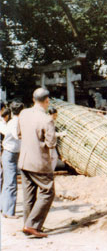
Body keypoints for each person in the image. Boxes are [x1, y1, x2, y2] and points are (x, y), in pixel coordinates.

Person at [18, 88, 56, 238]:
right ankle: (31, 225)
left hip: (24, 160)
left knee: (28, 195)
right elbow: (51, 143)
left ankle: (28, 225)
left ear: (33, 99)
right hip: (39, 163)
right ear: (47, 101)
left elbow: (19, 134)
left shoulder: (23, 113)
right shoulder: (47, 119)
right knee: (48, 192)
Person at [1, 102, 24, 219]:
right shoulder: (16, 122)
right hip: (10, 155)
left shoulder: (12, 121)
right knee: (11, 184)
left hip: (9, 154)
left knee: (7, 182)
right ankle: (9, 212)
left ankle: (4, 209)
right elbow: (17, 135)